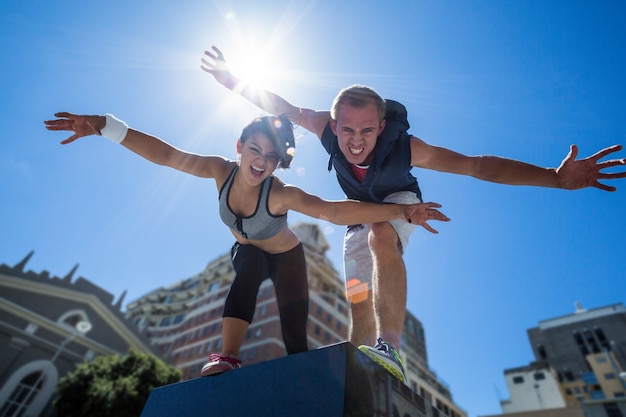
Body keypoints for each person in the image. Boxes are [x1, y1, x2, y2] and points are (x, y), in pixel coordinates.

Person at [200, 45, 626, 382]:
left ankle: (392, 349)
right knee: (358, 301)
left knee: (381, 234)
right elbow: (278, 104)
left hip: (404, 205)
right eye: (346, 130)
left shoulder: (407, 147)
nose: (355, 141)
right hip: (358, 215)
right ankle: (361, 375)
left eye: (367, 131)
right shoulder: (323, 126)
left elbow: (476, 165)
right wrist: (229, 79)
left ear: (381, 127)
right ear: (333, 123)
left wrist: (553, 177)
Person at [44, 111, 450, 377]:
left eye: (271, 156)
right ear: (239, 148)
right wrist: (105, 126)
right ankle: (227, 355)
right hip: (250, 252)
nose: (261, 161)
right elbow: (166, 155)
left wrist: (400, 212)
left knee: (295, 343)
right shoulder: (218, 171)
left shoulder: (280, 192)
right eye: (254, 150)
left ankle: (304, 383)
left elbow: (331, 211)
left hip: (289, 259)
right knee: (248, 265)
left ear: (277, 163)